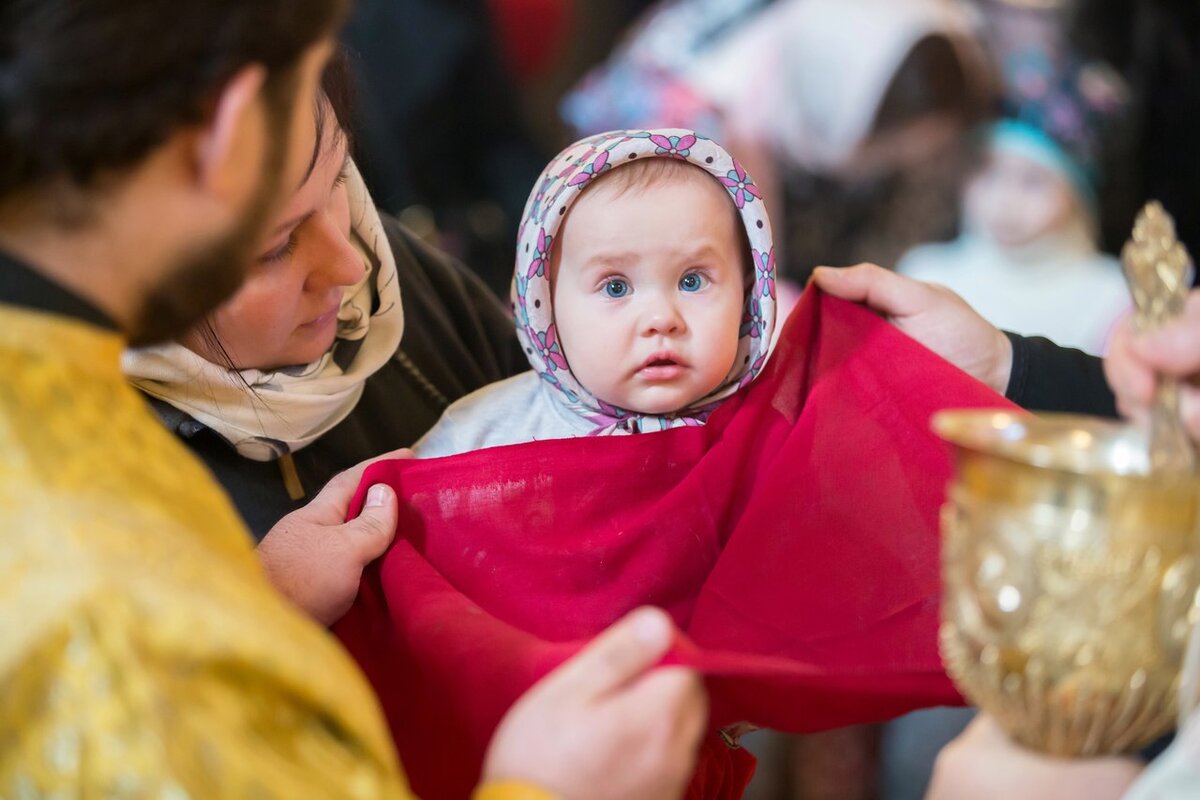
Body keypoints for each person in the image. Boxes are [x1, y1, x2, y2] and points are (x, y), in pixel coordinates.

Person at [0, 3, 707, 797]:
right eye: (273, 244)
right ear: (225, 141)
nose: (348, 266)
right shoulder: (110, 624)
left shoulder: (389, 276)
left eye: (342, 173)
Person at [413, 128, 775, 456]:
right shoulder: (475, 441)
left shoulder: (775, 431)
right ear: (545, 303)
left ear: (747, 294)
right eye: (616, 287)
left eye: (691, 281)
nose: (662, 319)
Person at [898, 54, 1131, 355]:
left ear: (1076, 196)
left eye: (1033, 182)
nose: (1004, 201)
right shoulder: (926, 274)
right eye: (988, 172)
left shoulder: (1109, 296)